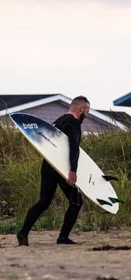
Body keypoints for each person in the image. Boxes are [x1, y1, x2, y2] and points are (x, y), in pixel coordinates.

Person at [16, 96, 91, 246]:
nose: (87, 115)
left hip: (48, 165)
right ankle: (62, 238)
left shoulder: (58, 121)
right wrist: (73, 171)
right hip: (62, 169)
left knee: (44, 201)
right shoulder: (74, 123)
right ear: (81, 109)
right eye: (87, 111)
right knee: (76, 201)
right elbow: (73, 148)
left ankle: (23, 232)